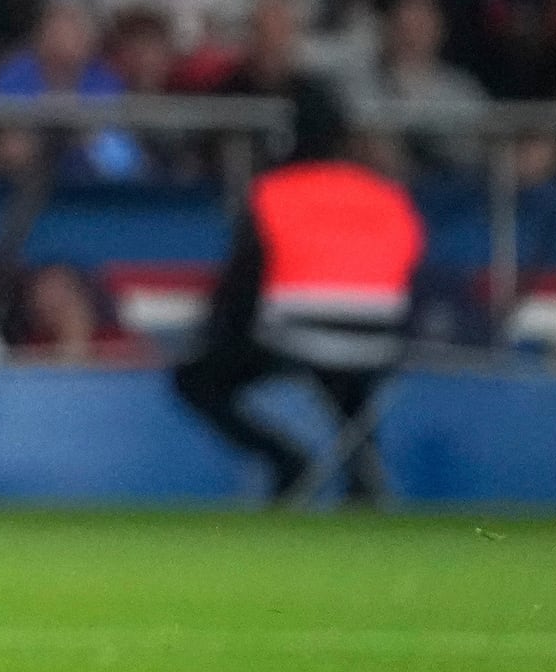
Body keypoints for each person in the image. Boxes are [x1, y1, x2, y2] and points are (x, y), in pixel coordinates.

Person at [171, 83, 422, 503]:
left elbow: (242, 284)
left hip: (294, 336)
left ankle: (286, 460)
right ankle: (363, 478)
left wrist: (212, 335)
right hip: (380, 341)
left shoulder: (274, 191)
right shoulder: (387, 195)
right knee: (347, 378)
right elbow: (412, 272)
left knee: (196, 381)